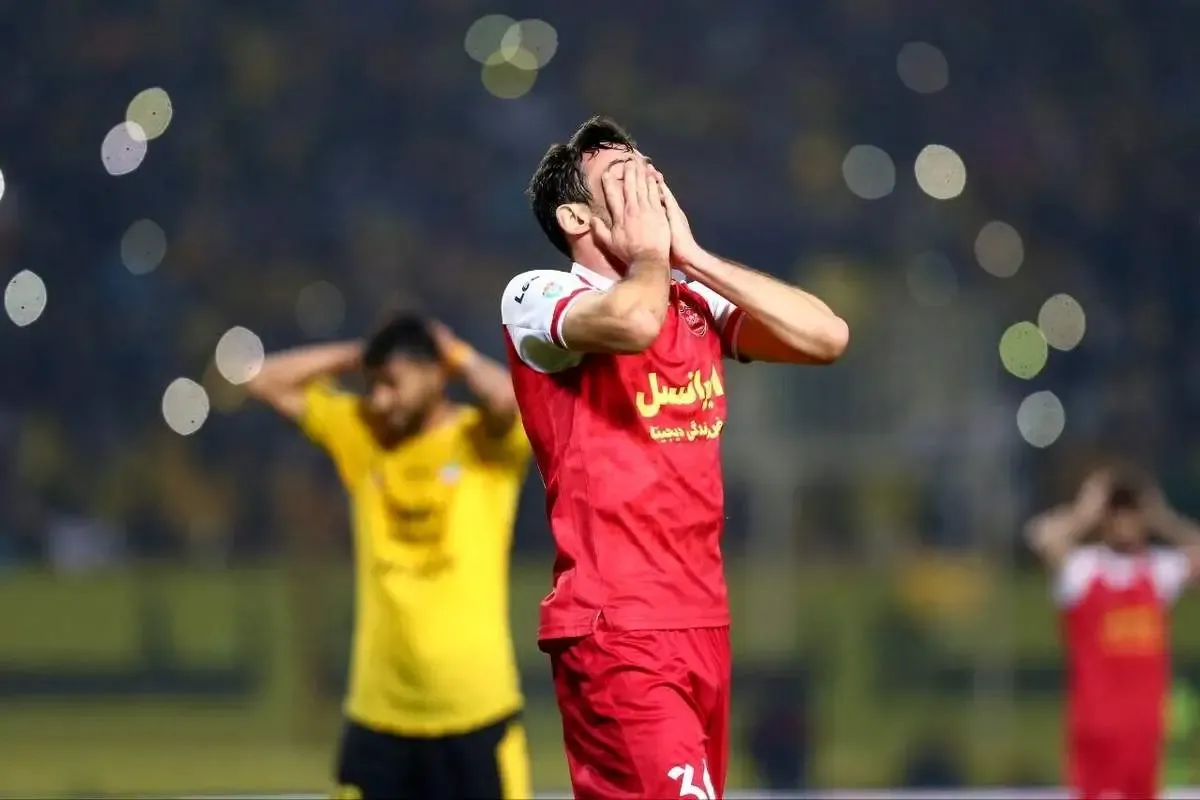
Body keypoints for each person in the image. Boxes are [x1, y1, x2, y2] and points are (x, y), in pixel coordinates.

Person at [500, 116, 849, 800]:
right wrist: (652, 258)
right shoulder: (539, 296)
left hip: (702, 622)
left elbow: (826, 336)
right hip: (615, 628)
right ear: (575, 216)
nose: (649, 180)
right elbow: (632, 323)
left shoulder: (693, 300)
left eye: (648, 166)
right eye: (622, 175)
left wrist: (694, 256)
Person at [246, 314, 532, 800]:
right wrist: (361, 354)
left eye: (392, 383)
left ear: (435, 375)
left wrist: (456, 354)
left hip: (477, 714)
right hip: (379, 717)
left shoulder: (483, 443)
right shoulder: (363, 436)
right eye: (373, 385)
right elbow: (263, 379)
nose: (379, 399)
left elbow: (509, 398)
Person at [1026, 466, 1200, 800]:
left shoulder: (1158, 570)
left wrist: (1162, 517)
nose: (1125, 522)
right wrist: (1084, 511)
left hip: (1144, 730)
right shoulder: (1084, 569)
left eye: (1132, 512)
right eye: (1117, 512)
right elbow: (1042, 537)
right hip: (1096, 729)